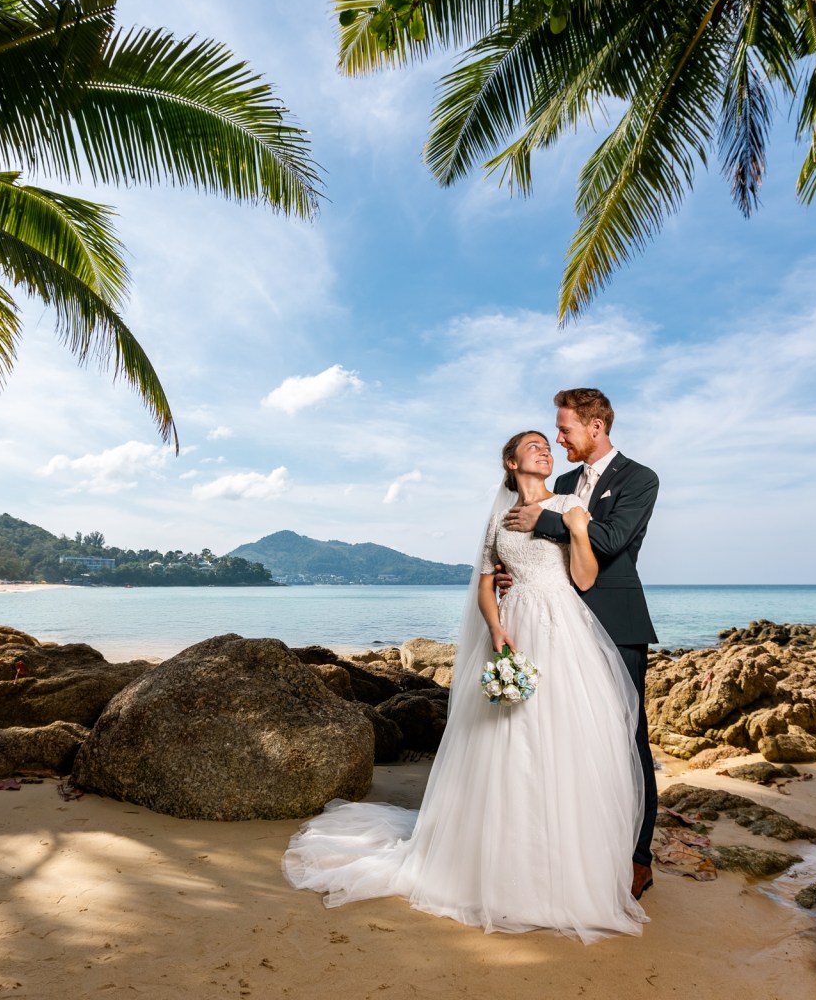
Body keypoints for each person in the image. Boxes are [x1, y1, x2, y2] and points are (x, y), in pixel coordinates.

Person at [282, 431, 648, 944]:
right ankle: (495, 866)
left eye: (550, 444)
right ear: (511, 460)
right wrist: (497, 628)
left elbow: (585, 579)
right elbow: (485, 580)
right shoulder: (498, 516)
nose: (546, 450)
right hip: (515, 627)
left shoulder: (570, 504)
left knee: (565, 741)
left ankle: (565, 875)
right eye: (535, 445)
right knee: (506, 740)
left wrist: (577, 528)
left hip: (564, 631)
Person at [503, 388, 660, 900]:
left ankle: (637, 858)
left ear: (596, 427)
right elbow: (539, 554)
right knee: (566, 738)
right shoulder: (564, 483)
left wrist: (544, 521)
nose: (559, 438)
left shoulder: (640, 478)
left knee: (627, 740)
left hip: (617, 624)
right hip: (557, 627)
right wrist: (514, 575)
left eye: (565, 428)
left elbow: (612, 540)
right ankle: (574, 846)